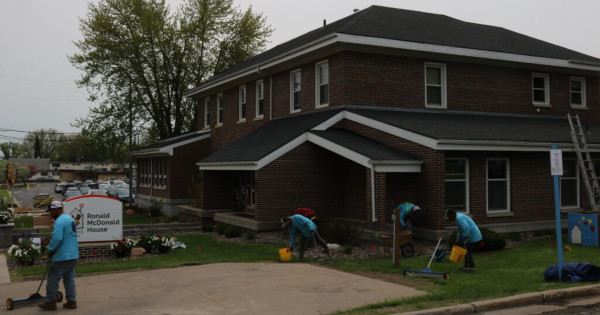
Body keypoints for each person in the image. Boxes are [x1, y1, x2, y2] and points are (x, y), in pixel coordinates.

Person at [38, 201, 79, 310]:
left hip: (62, 256)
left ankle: (51, 302)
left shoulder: (59, 221)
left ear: (56, 209)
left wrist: (50, 249)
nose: (50, 213)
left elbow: (57, 238)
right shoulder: (70, 219)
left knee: (53, 278)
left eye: (51, 211)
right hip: (73, 254)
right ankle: (72, 301)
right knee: (69, 278)